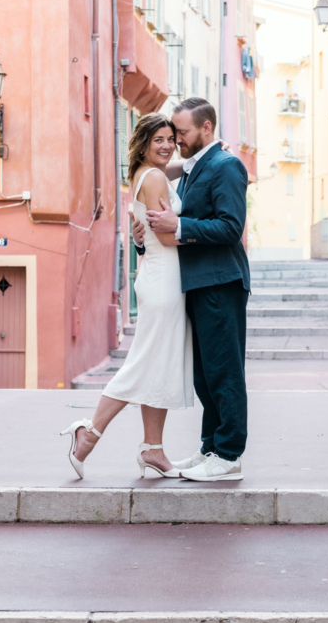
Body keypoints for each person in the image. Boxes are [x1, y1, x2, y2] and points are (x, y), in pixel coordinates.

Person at [60, 114, 192, 480]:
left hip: (158, 276)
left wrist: (202, 156)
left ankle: (153, 450)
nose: (167, 146)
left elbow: (178, 167)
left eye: (171, 139)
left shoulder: (145, 174)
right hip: (164, 279)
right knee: (144, 364)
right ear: (144, 143)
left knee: (159, 364)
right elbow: (167, 237)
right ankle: (88, 434)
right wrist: (204, 233)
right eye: (158, 140)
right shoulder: (153, 178)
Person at [141, 97, 250, 482]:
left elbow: (230, 227)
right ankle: (211, 449)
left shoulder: (227, 166)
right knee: (206, 375)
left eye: (182, 132)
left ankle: (229, 456)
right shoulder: (191, 169)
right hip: (199, 283)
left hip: (221, 281)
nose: (177, 140)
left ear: (206, 128)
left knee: (224, 372)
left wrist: (179, 226)